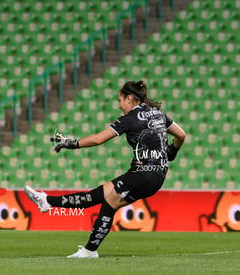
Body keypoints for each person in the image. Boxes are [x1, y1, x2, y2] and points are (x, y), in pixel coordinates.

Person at [25, 80, 186, 258]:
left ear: (130, 99)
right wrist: (171, 152)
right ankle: (86, 247)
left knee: (98, 198)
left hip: (143, 174)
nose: (120, 105)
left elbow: (97, 139)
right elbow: (181, 135)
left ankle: (49, 204)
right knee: (106, 202)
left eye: (120, 100)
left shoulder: (129, 119)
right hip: (158, 176)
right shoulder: (159, 115)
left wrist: (70, 143)